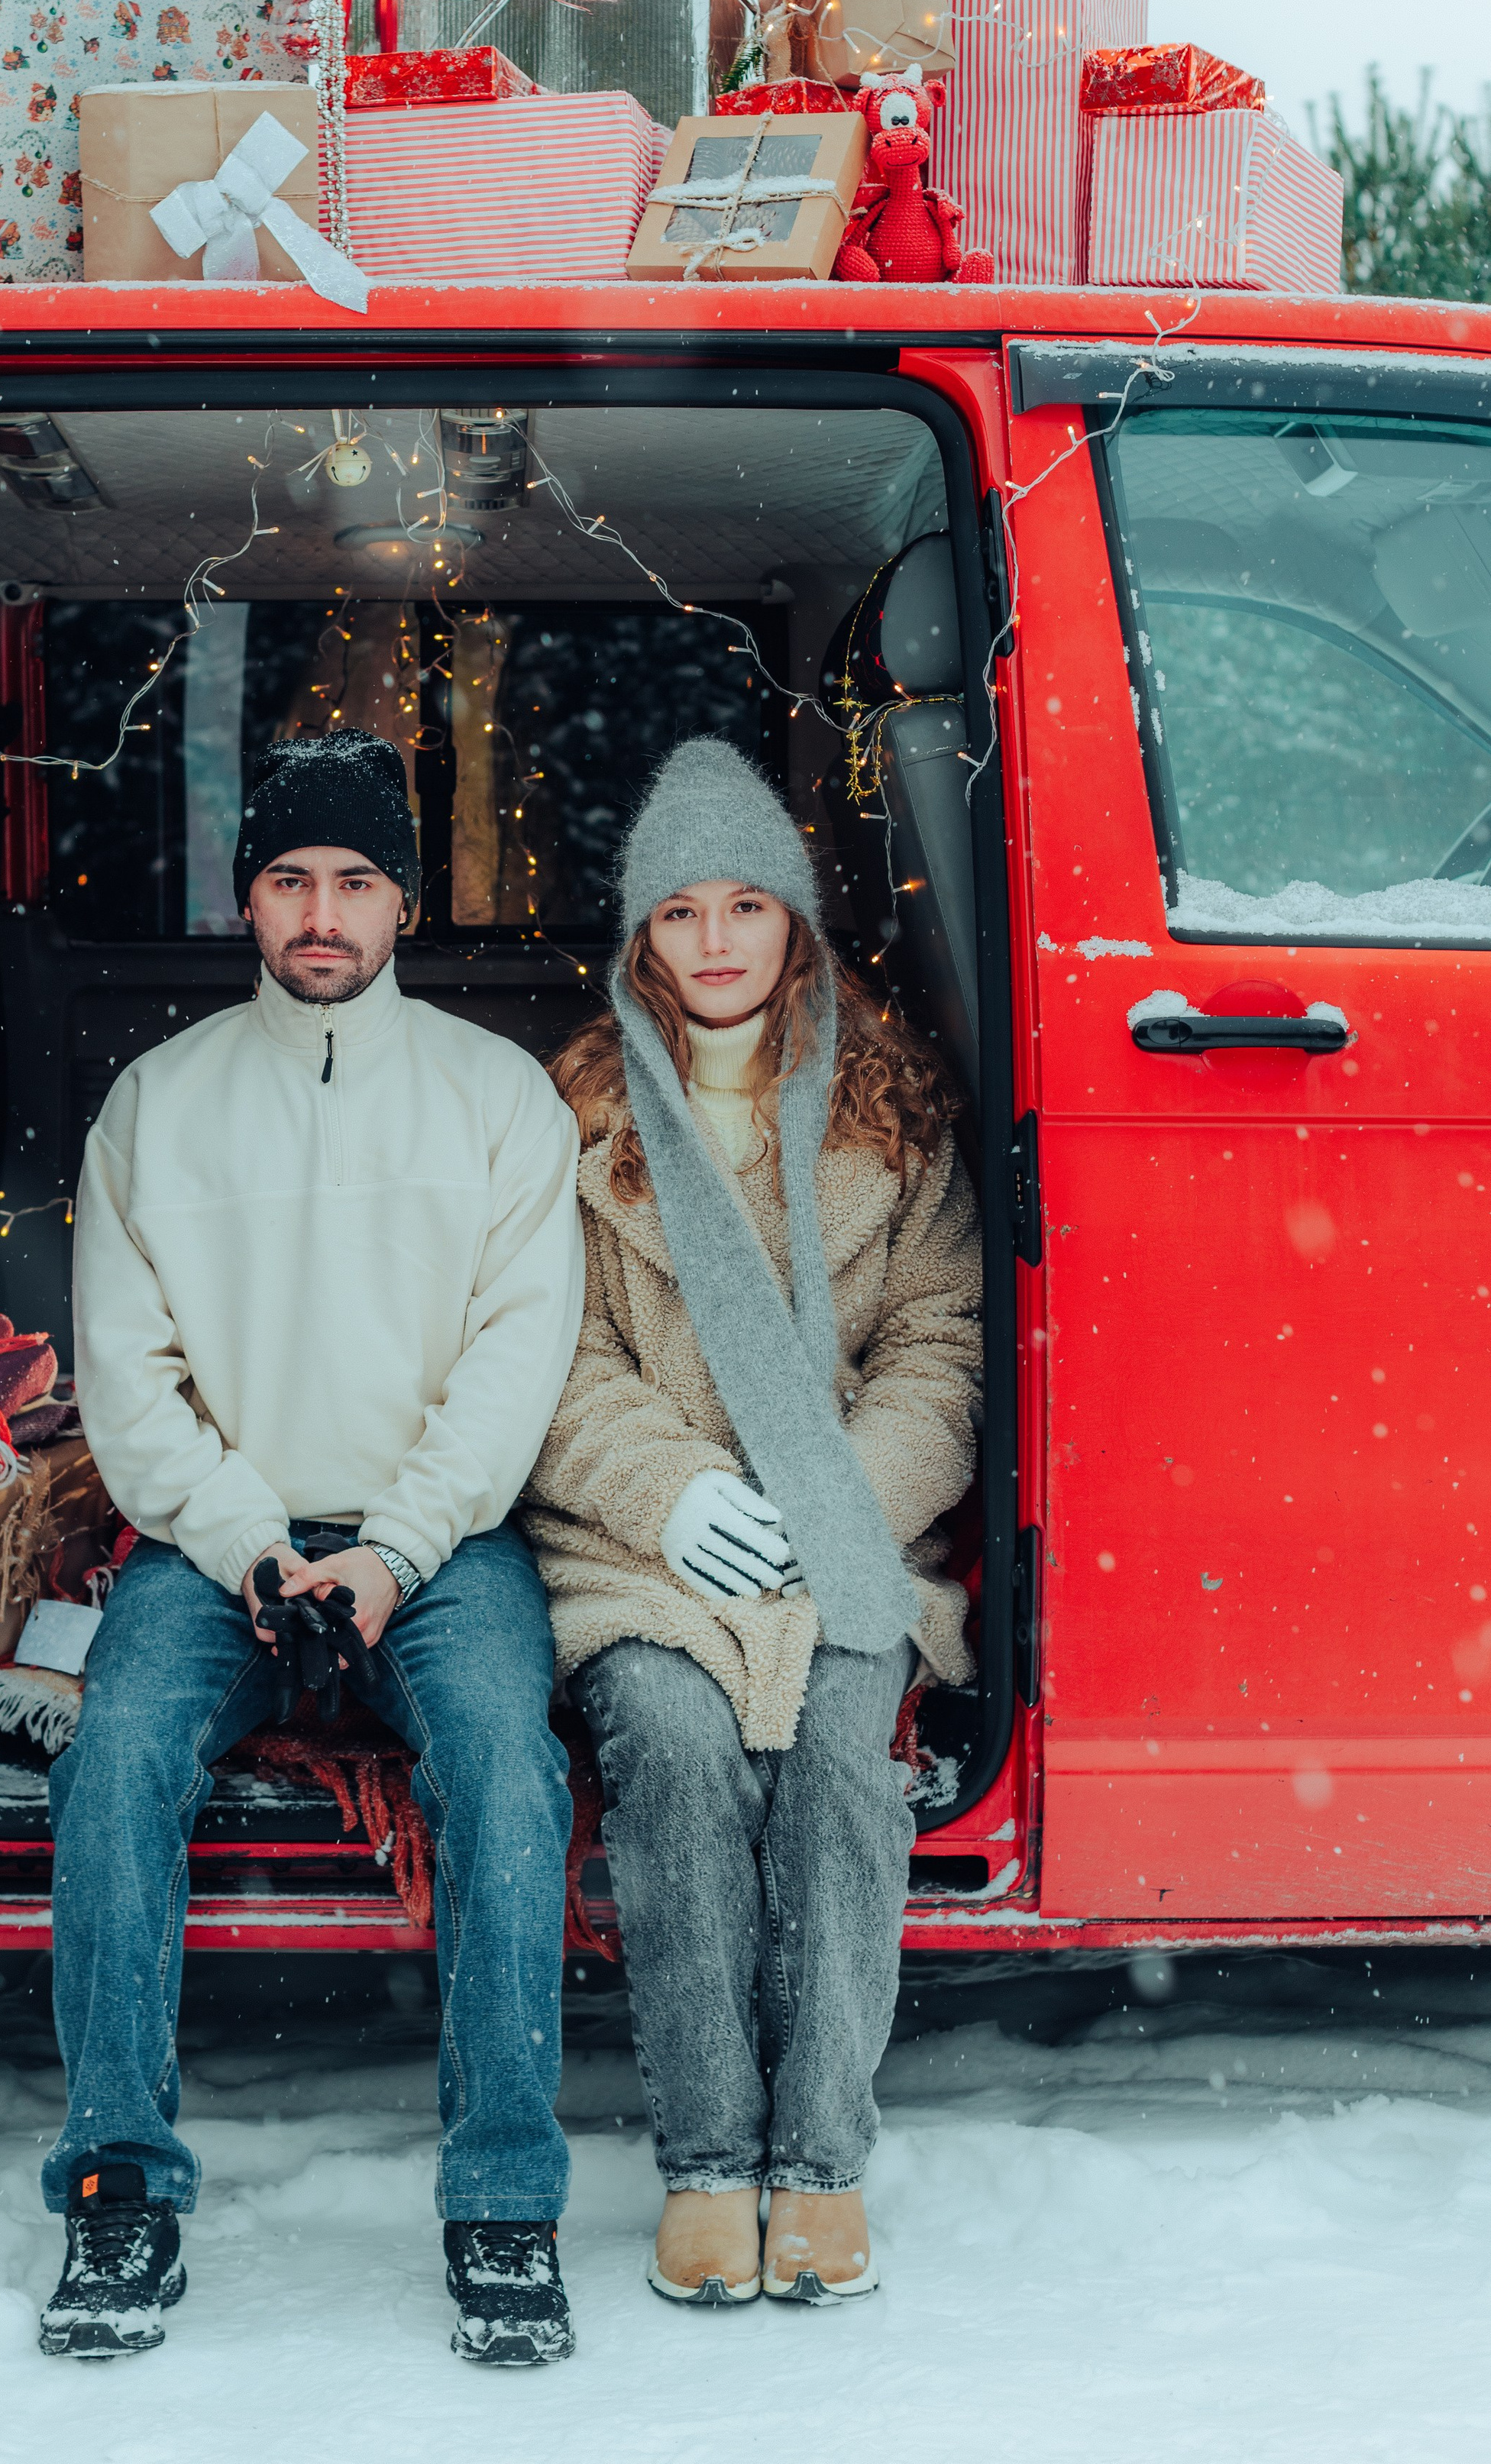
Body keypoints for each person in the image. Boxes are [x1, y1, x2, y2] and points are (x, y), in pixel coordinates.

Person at [40, 726, 584, 2368]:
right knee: (115, 1756)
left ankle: (503, 2200)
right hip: (219, 1548)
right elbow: (128, 1381)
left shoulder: (497, 1099)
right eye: (290, 880)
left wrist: (395, 1552)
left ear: (405, 903)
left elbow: (516, 1365)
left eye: (355, 880)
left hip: (442, 1545)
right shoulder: (160, 1104)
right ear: (248, 900)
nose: (323, 912)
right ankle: (116, 2186)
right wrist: (251, 1545)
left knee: (507, 1770)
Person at [526, 737, 981, 2311]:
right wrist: (671, 1490)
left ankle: (822, 2161)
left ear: (793, 920)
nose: (713, 942)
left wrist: (839, 1494)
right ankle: (711, 2161)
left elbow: (939, 1345)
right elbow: (549, 1355)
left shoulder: (892, 1110)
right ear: (638, 938)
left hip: (849, 1532)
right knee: (666, 1746)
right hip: (639, 1548)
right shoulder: (570, 1119)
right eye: (677, 913)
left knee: (848, 1761)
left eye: (744, 907)